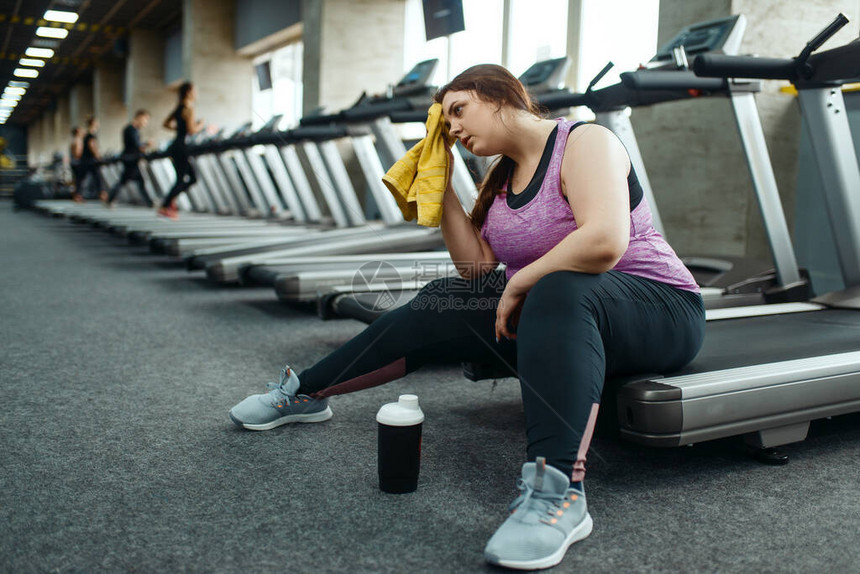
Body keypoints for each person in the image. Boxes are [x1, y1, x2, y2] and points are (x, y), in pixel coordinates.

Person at [228, 64, 706, 570]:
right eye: (447, 123)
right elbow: (476, 270)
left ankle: (557, 493)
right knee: (447, 297)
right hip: (557, 310)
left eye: (459, 110)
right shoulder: (499, 181)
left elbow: (606, 241)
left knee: (556, 287)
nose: (453, 129)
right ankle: (305, 392)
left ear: (500, 94)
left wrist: (521, 281)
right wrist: (444, 183)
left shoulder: (585, 141)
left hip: (659, 306)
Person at [157, 81, 204, 219]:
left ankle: (167, 203)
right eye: (195, 91)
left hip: (175, 145)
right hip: (182, 146)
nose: (196, 94)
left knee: (184, 178)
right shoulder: (189, 108)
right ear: (189, 92)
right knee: (190, 178)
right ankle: (165, 204)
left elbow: (166, 123)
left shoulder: (179, 107)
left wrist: (179, 129)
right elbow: (192, 130)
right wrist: (201, 124)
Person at [105, 109, 152, 208]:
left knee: (139, 181)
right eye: (145, 120)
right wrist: (146, 144)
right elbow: (136, 145)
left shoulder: (132, 129)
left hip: (131, 158)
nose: (145, 123)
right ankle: (110, 198)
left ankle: (150, 203)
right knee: (124, 180)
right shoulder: (131, 129)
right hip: (131, 159)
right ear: (139, 117)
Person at [77, 117, 106, 200]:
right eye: (97, 122)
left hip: (85, 159)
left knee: (82, 178)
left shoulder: (86, 135)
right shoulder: (91, 134)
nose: (98, 124)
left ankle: (78, 195)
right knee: (98, 177)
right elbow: (92, 145)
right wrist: (98, 156)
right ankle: (102, 194)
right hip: (90, 160)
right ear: (93, 123)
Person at [68, 126, 85, 202]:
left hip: (73, 162)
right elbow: (77, 153)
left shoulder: (73, 140)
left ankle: (76, 195)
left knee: (77, 180)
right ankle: (77, 196)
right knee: (79, 180)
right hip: (77, 162)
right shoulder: (78, 141)